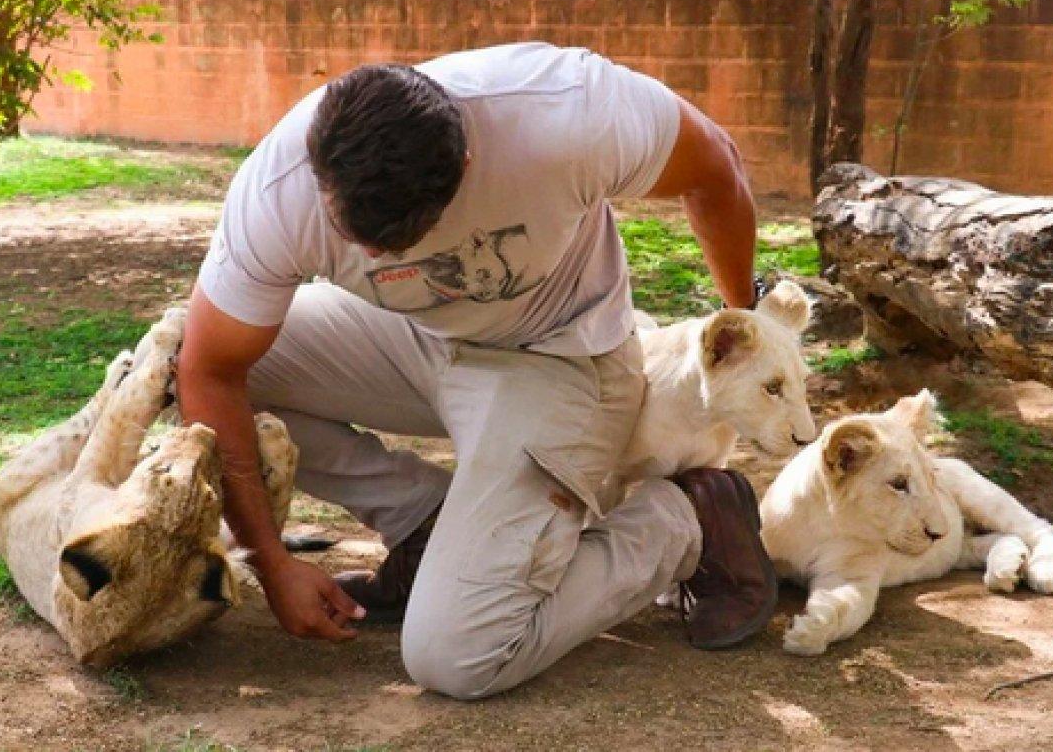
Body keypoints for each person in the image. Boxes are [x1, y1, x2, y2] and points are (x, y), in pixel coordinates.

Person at [176, 42, 770, 700]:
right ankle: (422, 521)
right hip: (415, 335)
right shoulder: (281, 187)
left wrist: (747, 316)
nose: (370, 252)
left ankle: (686, 516)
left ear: (464, 162)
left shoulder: (566, 113)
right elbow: (211, 370)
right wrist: (272, 560)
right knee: (182, 356)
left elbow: (713, 167)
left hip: (556, 354)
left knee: (458, 655)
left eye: (395, 236)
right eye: (355, 232)